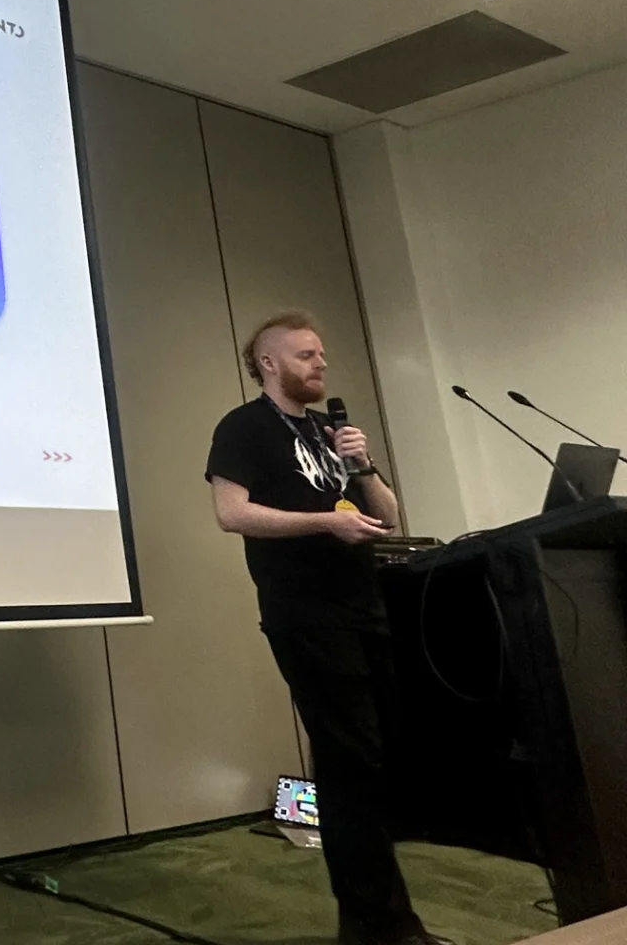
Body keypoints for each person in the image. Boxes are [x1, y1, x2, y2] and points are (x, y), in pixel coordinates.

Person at [205, 310, 443, 945]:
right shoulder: (243, 427)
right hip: (305, 612)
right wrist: (324, 523)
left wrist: (361, 466)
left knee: (373, 757)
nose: (321, 364)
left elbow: (388, 514)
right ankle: (381, 923)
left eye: (322, 355)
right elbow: (232, 515)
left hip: (364, 604)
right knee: (351, 759)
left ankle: (372, 918)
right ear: (269, 363)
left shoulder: (326, 431)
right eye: (307, 355)